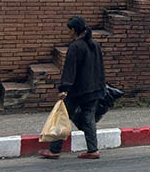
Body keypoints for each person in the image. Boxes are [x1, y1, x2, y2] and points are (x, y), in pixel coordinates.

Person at [39, 16, 107, 160]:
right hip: (94, 88)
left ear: (74, 30)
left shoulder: (75, 46)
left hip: (78, 91)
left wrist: (64, 89)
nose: (68, 32)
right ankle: (93, 150)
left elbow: (70, 70)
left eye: (69, 29)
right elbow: (99, 67)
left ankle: (54, 150)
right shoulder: (94, 44)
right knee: (89, 119)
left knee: (62, 117)